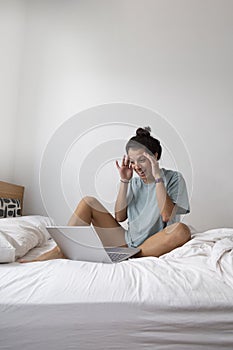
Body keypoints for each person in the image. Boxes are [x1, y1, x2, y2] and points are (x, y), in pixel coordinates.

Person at [20, 126, 191, 262]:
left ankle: (132, 256)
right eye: (132, 162)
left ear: (155, 156)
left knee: (182, 230)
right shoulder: (134, 181)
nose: (137, 166)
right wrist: (125, 180)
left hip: (155, 243)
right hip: (126, 241)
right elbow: (119, 217)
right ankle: (61, 250)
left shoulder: (173, 178)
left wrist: (157, 177)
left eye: (142, 160)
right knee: (88, 202)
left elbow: (167, 215)